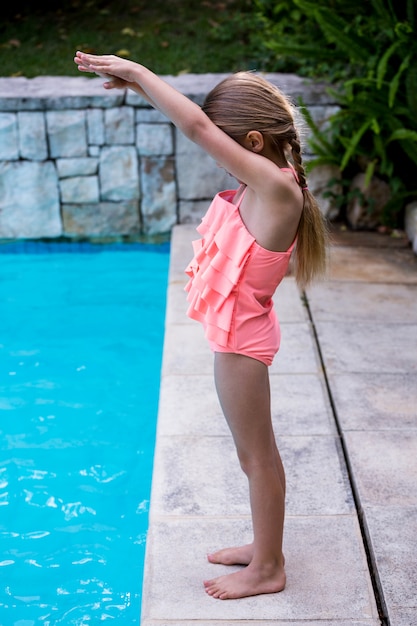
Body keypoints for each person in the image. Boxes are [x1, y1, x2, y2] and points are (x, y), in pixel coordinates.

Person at [74, 51, 328, 601]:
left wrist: (139, 72)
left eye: (227, 143)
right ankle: (266, 550)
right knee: (251, 454)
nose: (219, 152)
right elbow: (198, 124)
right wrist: (138, 88)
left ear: (254, 142)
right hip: (236, 336)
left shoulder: (278, 190)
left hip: (243, 345)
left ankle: (268, 569)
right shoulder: (268, 181)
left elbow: (194, 125)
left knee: (257, 455)